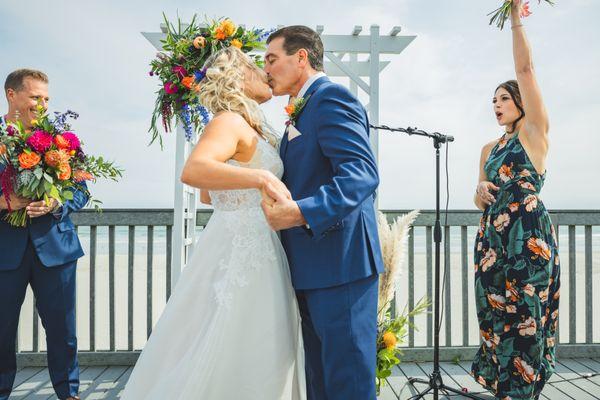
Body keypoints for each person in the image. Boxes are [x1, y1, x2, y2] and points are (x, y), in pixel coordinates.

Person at [120, 47, 306, 400]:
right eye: (255, 66)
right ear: (237, 78)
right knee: (244, 339)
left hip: (252, 244)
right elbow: (193, 171)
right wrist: (262, 180)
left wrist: (247, 188)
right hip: (242, 251)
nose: (265, 72)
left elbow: (208, 197)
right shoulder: (227, 121)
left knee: (250, 339)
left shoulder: (251, 125)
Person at [262, 26, 384, 400]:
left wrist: (300, 211)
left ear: (301, 57)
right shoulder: (303, 107)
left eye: (271, 59)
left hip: (340, 264)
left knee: (347, 381)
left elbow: (362, 174)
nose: (266, 69)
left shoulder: (331, 98)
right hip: (310, 266)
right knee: (320, 380)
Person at [471, 2, 560, 398]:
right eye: (493, 101)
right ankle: (502, 390)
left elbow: (526, 70)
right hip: (493, 239)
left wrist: (514, 18)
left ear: (521, 102)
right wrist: (478, 191)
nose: (497, 105)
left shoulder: (534, 133)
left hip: (528, 237)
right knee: (495, 313)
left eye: (504, 99)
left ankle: (526, 391)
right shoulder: (489, 148)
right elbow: (480, 197)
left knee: (526, 313)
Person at [0, 69, 88, 400]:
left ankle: (70, 394)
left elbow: (81, 191)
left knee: (63, 332)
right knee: (1, 331)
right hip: (4, 252)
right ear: (12, 95)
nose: (43, 104)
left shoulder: (63, 139)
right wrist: (4, 201)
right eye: (36, 96)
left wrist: (55, 202)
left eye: (47, 98)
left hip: (57, 249)